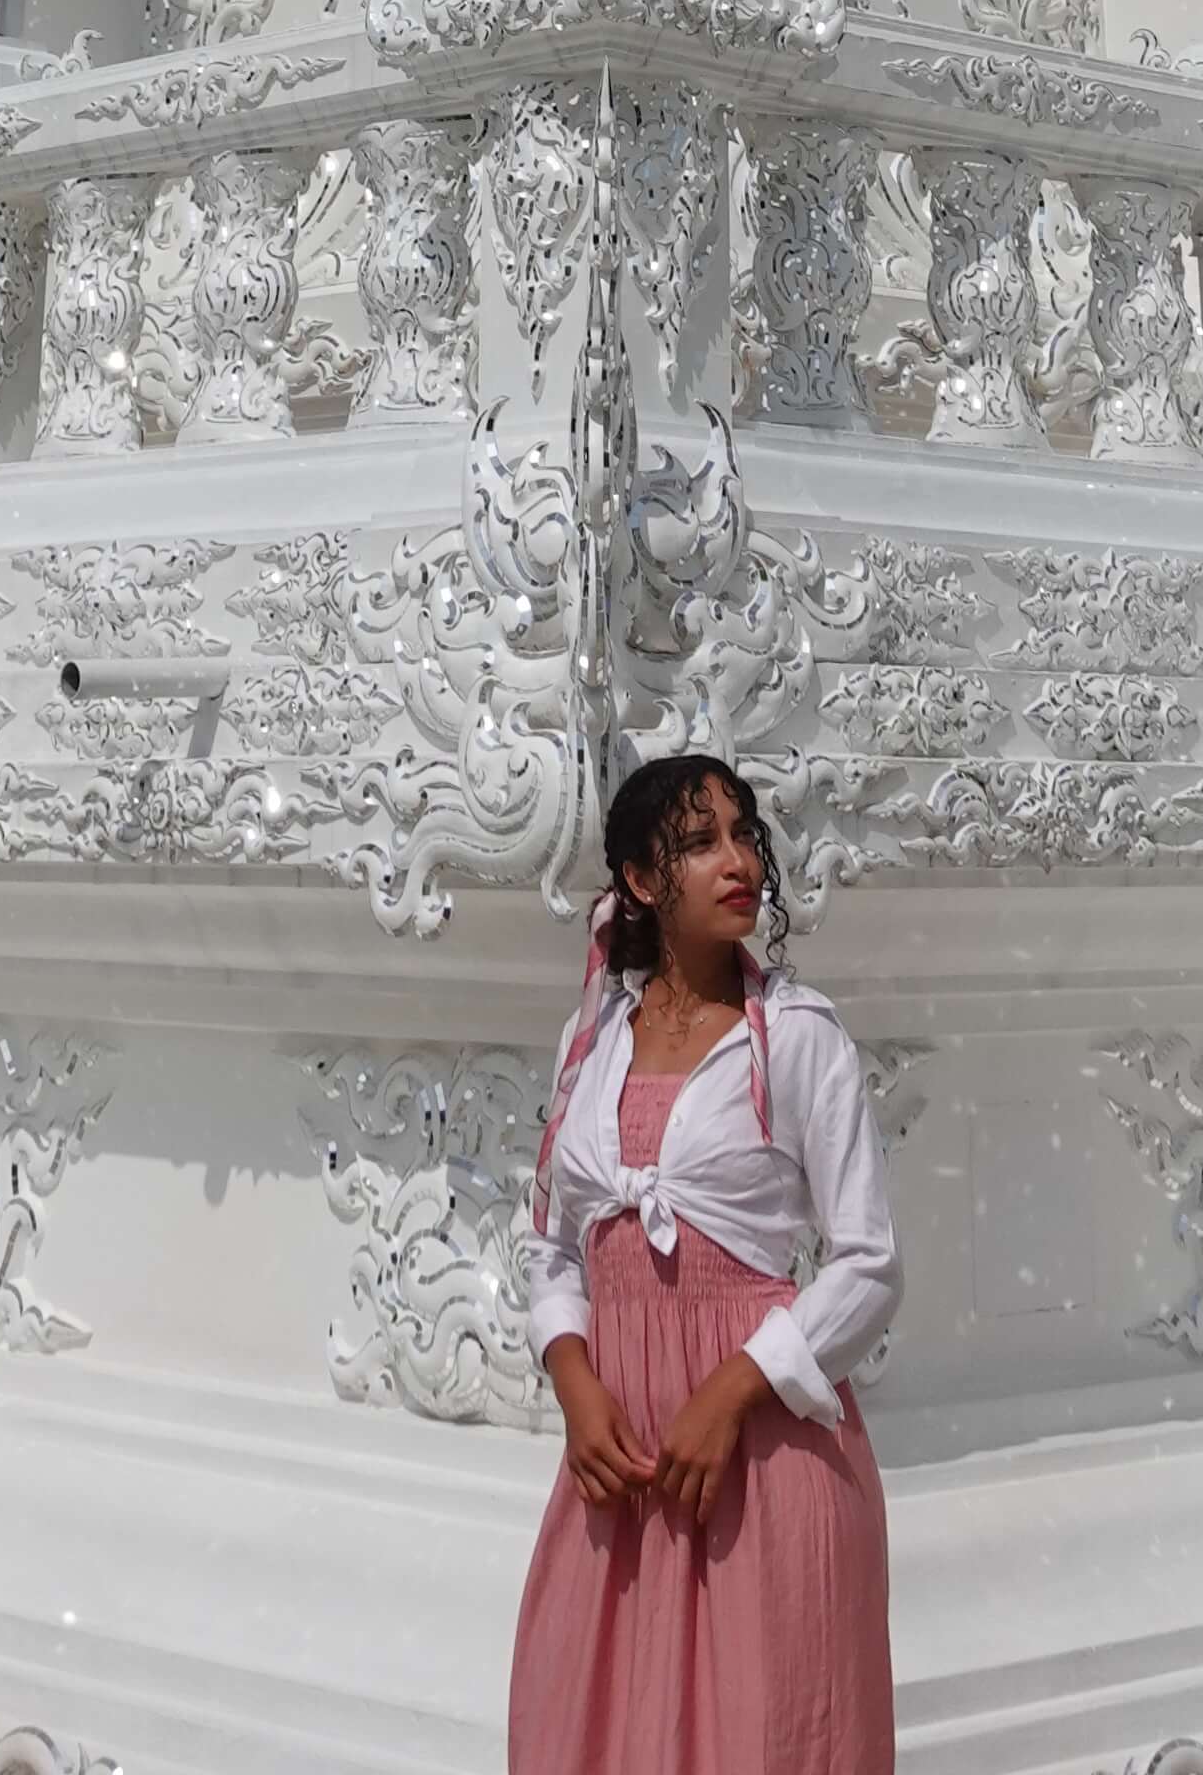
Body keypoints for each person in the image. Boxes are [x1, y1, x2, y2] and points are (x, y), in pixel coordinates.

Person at [510, 750, 897, 1775]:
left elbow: (867, 1264)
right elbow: (547, 1241)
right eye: (697, 843)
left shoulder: (798, 1038)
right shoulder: (588, 1041)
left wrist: (729, 1390)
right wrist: (572, 1381)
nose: (738, 862)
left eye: (742, 835)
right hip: (620, 1467)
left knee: (756, 1741)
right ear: (639, 880)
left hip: (761, 1458)